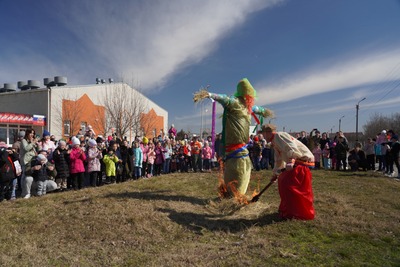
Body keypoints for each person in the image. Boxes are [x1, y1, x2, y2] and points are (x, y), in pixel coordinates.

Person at [193, 78, 273, 196]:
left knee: (239, 173)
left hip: (239, 151)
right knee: (235, 173)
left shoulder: (247, 107)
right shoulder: (235, 103)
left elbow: (258, 109)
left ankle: (236, 195)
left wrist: (265, 111)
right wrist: (208, 94)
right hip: (234, 150)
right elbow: (224, 98)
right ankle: (234, 194)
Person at [262, 124, 315, 220]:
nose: (263, 136)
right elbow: (278, 160)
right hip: (295, 162)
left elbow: (291, 147)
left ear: (268, 133)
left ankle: (296, 212)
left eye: (263, 133)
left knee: (287, 184)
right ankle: (289, 210)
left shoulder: (279, 135)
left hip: (301, 161)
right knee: (282, 181)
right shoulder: (274, 142)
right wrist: (275, 174)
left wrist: (291, 161)